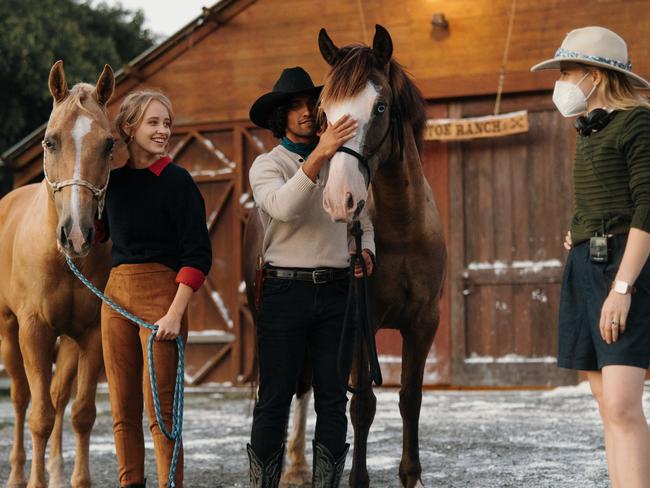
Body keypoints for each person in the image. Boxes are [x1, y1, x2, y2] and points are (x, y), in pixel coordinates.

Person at [532, 26, 650, 488]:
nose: (561, 82)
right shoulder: (587, 129)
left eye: (568, 71)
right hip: (585, 265)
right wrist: (578, 232)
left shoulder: (638, 122)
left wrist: (622, 288)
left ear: (596, 76)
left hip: (623, 268)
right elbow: (604, 199)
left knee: (623, 405)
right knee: (607, 409)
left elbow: (646, 206)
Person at [246, 66, 375, 487]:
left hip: (338, 291)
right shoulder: (268, 165)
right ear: (280, 115)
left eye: (311, 105)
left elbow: (363, 216)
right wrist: (320, 154)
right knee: (274, 400)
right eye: (296, 106)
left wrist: (366, 249)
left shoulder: (344, 162)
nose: (305, 112)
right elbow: (283, 208)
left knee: (335, 401)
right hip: (285, 291)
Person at [102, 90, 212, 488]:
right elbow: (96, 236)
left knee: (162, 412)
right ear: (129, 128)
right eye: (154, 122)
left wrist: (174, 312)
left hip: (161, 297)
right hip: (114, 297)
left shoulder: (177, 182)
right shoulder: (110, 183)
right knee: (122, 410)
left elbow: (198, 255)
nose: (163, 130)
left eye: (166, 123)